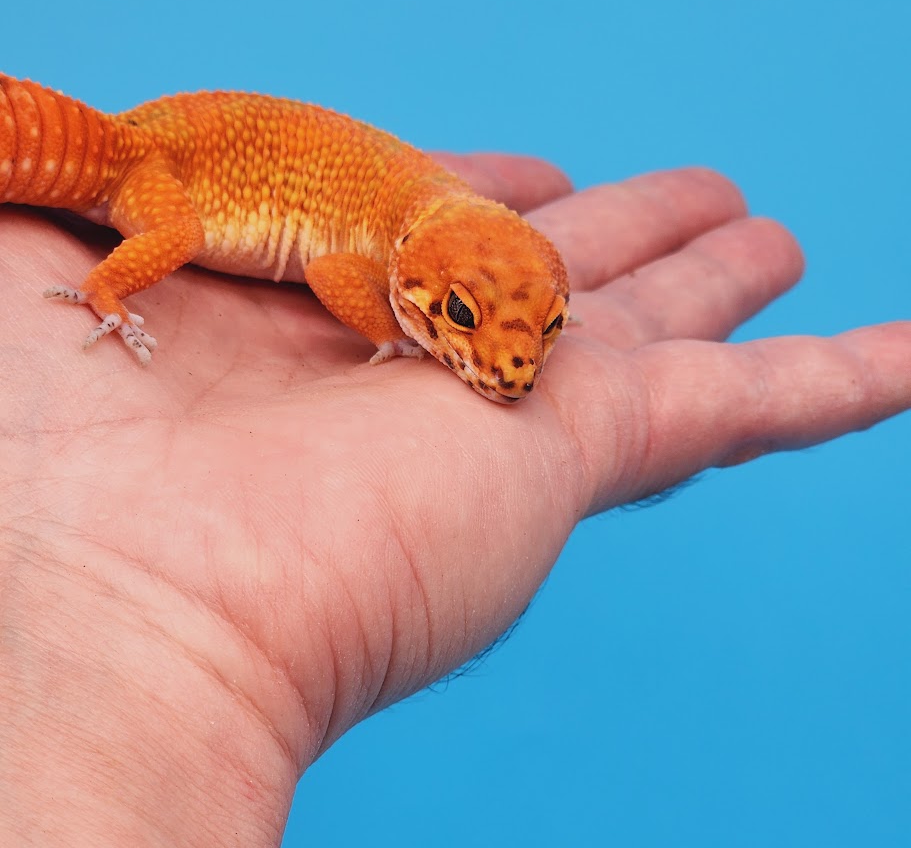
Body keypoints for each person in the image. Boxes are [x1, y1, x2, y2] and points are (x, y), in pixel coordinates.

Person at [1, 155, 908, 845]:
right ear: (412, 280)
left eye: (544, 332)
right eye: (464, 322)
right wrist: (394, 335)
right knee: (156, 222)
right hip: (151, 167)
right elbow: (330, 276)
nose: (513, 368)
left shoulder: (437, 235)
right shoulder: (374, 256)